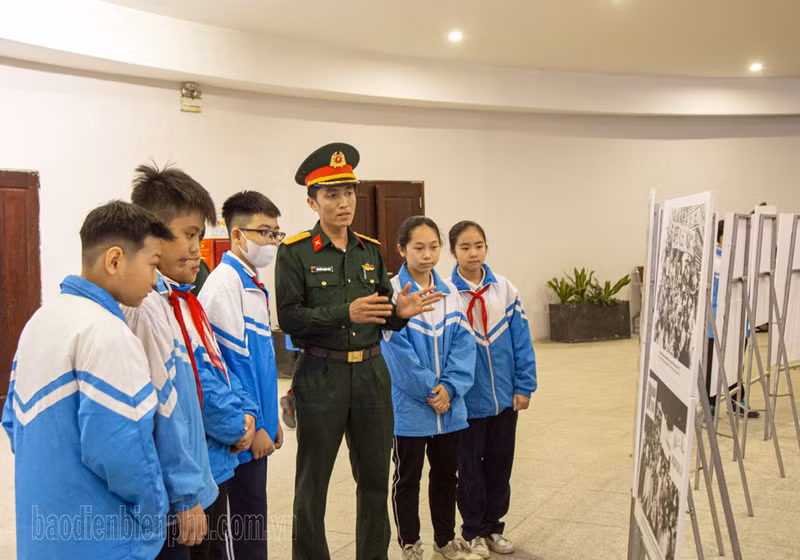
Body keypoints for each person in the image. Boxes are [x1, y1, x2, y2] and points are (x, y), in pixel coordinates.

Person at [275, 142, 441, 560]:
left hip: (370, 374)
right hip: (320, 375)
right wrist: (343, 312)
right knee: (312, 483)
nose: (344, 202)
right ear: (312, 201)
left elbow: (383, 312)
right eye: (332, 194)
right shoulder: (294, 252)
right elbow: (291, 320)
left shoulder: (369, 250)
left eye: (348, 191)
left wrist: (399, 312)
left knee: (373, 481)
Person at [2, 201, 174, 559]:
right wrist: (155, 512)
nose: (155, 280)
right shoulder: (106, 332)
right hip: (100, 538)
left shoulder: (40, 321)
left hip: (44, 534)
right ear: (115, 260)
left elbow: (11, 422)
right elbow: (122, 449)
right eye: (152, 264)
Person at [126, 163, 258, 560]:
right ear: (151, 234)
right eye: (187, 235)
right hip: (183, 477)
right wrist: (238, 424)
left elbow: (219, 369)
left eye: (200, 236)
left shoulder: (186, 300)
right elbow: (188, 396)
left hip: (210, 466)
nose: (195, 248)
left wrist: (247, 413)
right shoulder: (149, 306)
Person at [380, 217, 479, 560]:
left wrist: (450, 389)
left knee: (446, 476)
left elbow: (465, 346)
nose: (427, 255)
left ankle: (445, 539)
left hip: (449, 408)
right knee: (407, 478)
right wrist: (429, 390)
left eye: (433, 247)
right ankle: (410, 543)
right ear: (401, 250)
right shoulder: (393, 292)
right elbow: (396, 354)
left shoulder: (450, 292)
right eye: (418, 247)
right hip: (410, 408)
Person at [198, 190, 285, 559]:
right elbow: (232, 368)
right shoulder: (223, 285)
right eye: (263, 233)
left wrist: (272, 418)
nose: (270, 242)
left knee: (253, 518)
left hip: (259, 425)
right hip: (242, 435)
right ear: (237, 235)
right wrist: (258, 425)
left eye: (275, 233)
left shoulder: (252, 282)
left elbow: (261, 364)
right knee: (239, 526)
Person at [448, 220, 537, 558]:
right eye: (465, 247)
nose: (473, 253)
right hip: (465, 402)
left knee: (500, 467)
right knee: (468, 470)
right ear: (453, 251)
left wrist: (524, 386)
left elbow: (522, 343)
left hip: (504, 400)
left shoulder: (505, 289)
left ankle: (494, 527)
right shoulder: (447, 292)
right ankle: (471, 531)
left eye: (479, 246)